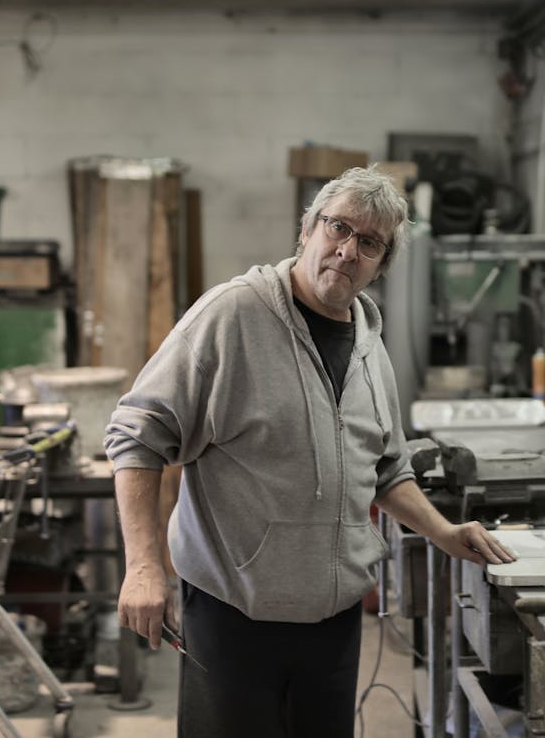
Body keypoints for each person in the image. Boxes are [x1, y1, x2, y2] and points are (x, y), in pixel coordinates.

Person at [104, 164, 516, 738]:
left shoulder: (371, 343)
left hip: (333, 622)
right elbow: (136, 432)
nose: (348, 251)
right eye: (338, 229)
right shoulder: (233, 315)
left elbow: (387, 469)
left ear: (381, 264)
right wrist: (144, 567)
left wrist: (443, 532)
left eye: (369, 243)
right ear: (306, 230)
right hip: (233, 617)